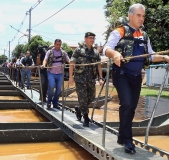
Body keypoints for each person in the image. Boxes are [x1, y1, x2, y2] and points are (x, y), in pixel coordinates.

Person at [103, 3, 169, 154]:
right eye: (139, 15)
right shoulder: (119, 32)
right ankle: (127, 140)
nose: (142, 19)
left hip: (136, 77)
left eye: (143, 16)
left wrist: (165, 57)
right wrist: (115, 54)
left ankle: (121, 135)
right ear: (130, 16)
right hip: (121, 75)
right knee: (126, 103)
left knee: (131, 107)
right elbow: (107, 49)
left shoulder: (144, 36)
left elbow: (151, 56)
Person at [69, 32, 104, 127]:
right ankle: (86, 118)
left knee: (91, 98)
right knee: (83, 98)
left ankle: (79, 108)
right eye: (90, 38)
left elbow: (99, 66)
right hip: (80, 79)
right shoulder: (78, 50)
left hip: (91, 79)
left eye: (93, 38)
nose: (92, 40)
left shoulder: (96, 52)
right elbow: (72, 63)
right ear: (85, 39)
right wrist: (70, 77)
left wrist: (100, 78)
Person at [41, 39, 70, 109]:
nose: (58, 46)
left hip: (60, 73)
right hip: (51, 72)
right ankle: (49, 101)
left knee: (58, 89)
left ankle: (55, 103)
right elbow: (45, 59)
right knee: (51, 86)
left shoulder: (63, 53)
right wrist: (44, 65)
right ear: (54, 44)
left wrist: (73, 64)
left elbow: (68, 60)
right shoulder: (49, 52)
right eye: (57, 44)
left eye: (59, 45)